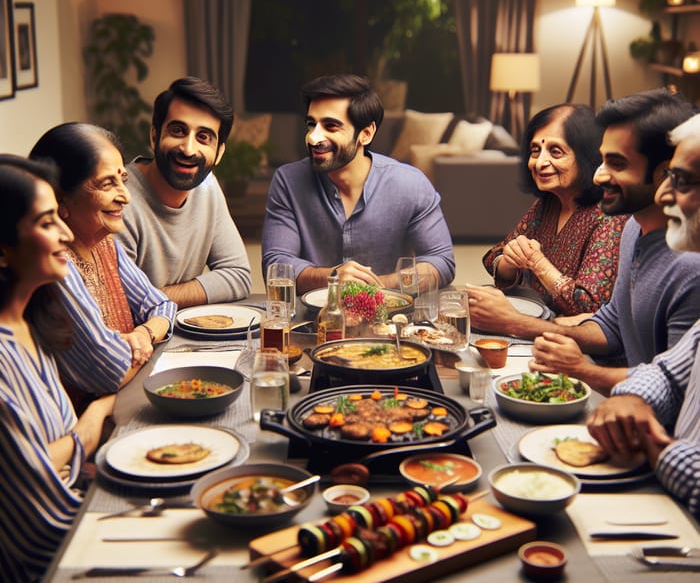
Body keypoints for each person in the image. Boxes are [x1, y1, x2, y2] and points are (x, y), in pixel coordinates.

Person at [468, 88, 700, 395]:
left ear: (664, 175)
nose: (600, 175)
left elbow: (677, 389)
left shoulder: (688, 265)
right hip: (616, 392)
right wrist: (523, 323)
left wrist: (519, 324)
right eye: (602, 160)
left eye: (616, 163)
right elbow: (610, 325)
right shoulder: (634, 228)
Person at [0, 156, 116, 583]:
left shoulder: (29, 326)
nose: (68, 234)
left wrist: (66, 446)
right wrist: (86, 429)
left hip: (73, 541)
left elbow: (53, 459)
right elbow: (44, 527)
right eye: (48, 222)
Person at [587, 112, 700, 518]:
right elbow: (672, 370)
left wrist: (653, 445)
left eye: (681, 181)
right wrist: (634, 396)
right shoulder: (633, 230)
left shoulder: (690, 266)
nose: (666, 195)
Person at [261, 74, 455, 295]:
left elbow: (441, 261)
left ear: (366, 133)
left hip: (389, 318)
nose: (314, 138)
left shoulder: (411, 184)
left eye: (331, 126)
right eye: (311, 124)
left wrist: (377, 286)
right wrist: (333, 277)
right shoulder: (288, 181)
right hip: (312, 322)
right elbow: (276, 266)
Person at [29, 124, 176, 405]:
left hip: (124, 402)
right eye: (107, 184)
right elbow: (110, 372)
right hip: (86, 428)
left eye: (123, 179)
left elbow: (162, 305)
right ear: (61, 198)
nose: (126, 196)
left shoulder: (104, 242)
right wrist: (149, 338)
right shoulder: (55, 265)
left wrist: (143, 333)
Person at [117, 77, 252, 307]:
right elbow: (120, 304)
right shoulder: (121, 200)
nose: (189, 149)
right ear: (154, 136)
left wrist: (156, 297)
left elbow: (238, 275)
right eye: (178, 131)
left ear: (219, 153)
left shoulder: (207, 186)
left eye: (203, 137)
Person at [483, 103, 628, 316]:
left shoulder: (609, 215)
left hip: (576, 341)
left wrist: (538, 263)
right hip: (539, 323)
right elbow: (493, 257)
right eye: (535, 150)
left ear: (585, 157)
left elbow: (589, 305)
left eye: (555, 151)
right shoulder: (548, 204)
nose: (540, 162)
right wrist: (508, 262)